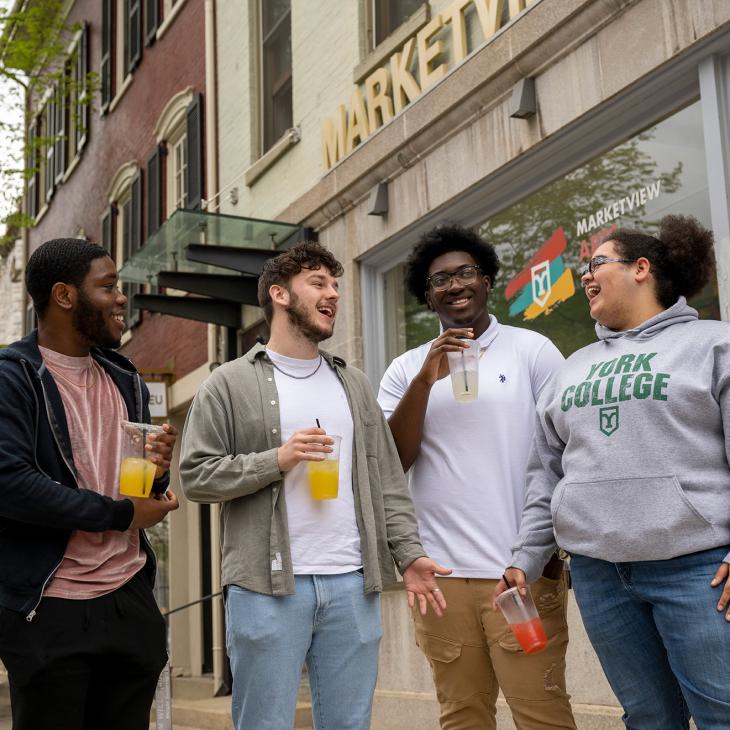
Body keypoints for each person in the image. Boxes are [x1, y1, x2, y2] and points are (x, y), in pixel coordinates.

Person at [179, 241, 449, 730]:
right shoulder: (228, 383)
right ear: (280, 295)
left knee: (349, 723)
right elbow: (196, 476)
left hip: (352, 584)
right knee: (265, 724)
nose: (334, 295)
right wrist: (276, 459)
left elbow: (386, 479)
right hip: (266, 587)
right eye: (319, 283)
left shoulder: (354, 384)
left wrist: (409, 554)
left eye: (337, 286)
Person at [499, 214, 730, 728]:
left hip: (698, 568)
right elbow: (547, 473)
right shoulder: (571, 367)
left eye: (597, 263)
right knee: (647, 717)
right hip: (600, 575)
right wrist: (526, 558)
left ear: (641, 268)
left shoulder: (715, 345)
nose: (585, 276)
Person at [378, 223, 576, 730]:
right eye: (439, 279)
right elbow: (390, 459)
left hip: (520, 574)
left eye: (466, 272)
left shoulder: (531, 351)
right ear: (428, 296)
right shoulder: (405, 369)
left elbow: (565, 450)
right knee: (462, 716)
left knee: (543, 715)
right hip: (442, 580)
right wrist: (425, 380)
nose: (454, 284)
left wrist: (541, 552)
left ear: (487, 281)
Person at [0, 238, 180, 730]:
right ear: (64, 296)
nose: (122, 298)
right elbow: (12, 485)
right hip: (50, 607)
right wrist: (122, 515)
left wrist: (156, 470)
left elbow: (132, 485)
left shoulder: (125, 377)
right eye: (108, 287)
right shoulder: (14, 378)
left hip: (128, 599)